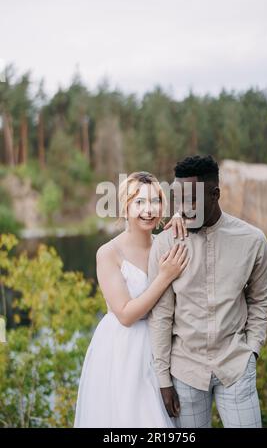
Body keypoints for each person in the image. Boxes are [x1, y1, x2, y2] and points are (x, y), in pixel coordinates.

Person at [148, 154, 267, 428]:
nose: (183, 208)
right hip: (185, 373)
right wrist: (163, 379)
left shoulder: (252, 240)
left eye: (191, 199)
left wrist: (252, 350)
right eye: (178, 198)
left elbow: (261, 299)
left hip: (236, 367)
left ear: (215, 194)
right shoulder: (166, 243)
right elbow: (161, 314)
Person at [74, 171, 188, 428]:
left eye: (155, 201)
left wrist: (183, 220)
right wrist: (164, 276)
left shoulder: (165, 245)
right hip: (124, 352)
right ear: (125, 206)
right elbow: (125, 314)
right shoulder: (108, 253)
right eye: (139, 202)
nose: (149, 210)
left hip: (163, 347)